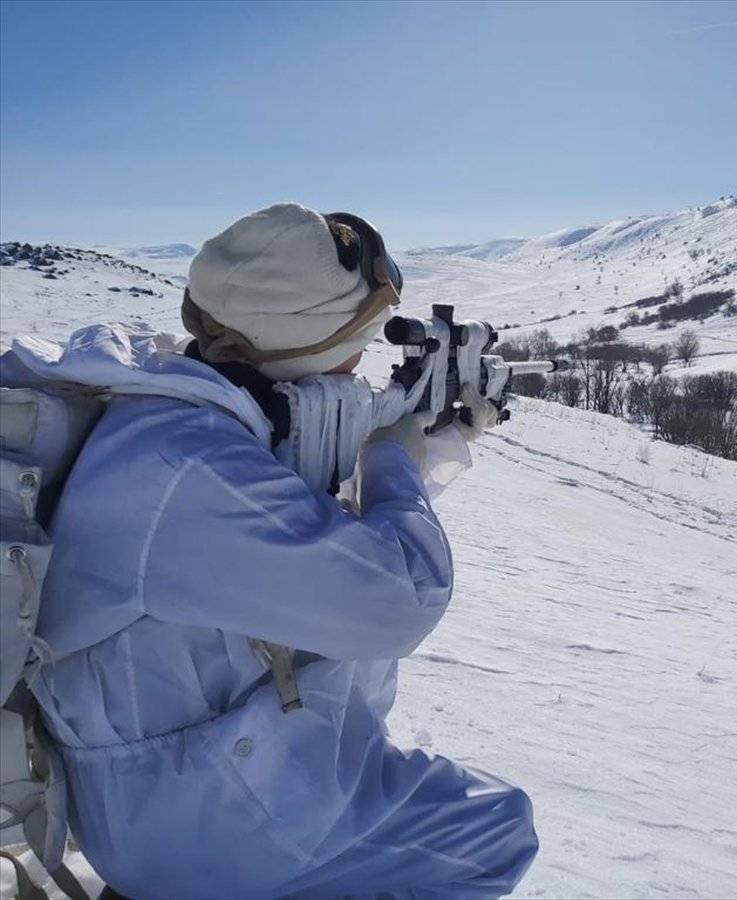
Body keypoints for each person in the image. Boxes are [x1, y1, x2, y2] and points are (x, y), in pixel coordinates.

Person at [25, 203, 538, 899]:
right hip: (193, 818)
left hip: (183, 770)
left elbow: (311, 546)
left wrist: (435, 438)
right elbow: (397, 600)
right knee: (494, 830)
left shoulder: (186, 412)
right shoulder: (191, 470)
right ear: (311, 344)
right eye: (354, 340)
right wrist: (393, 460)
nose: (360, 366)